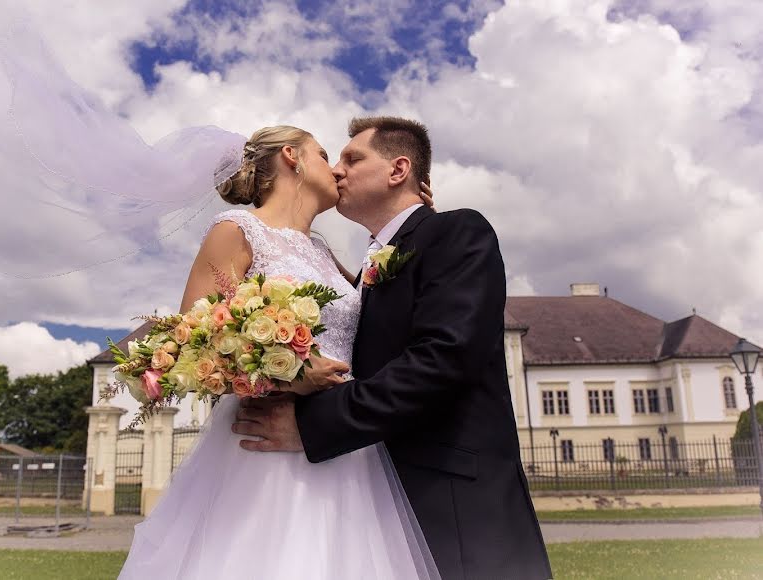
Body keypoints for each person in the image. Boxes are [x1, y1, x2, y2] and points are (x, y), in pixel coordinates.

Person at [232, 117, 553, 579]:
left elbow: (443, 358)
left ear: (398, 169)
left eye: (352, 158)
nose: (337, 170)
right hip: (369, 500)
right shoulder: (359, 269)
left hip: (454, 504)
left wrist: (313, 423)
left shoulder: (456, 232)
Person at [118, 125, 441, 579]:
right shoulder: (237, 230)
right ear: (293, 157)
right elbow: (191, 342)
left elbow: (379, 316)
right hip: (266, 445)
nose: (336, 170)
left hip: (341, 442)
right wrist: (288, 374)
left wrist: (419, 224)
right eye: (327, 154)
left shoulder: (324, 250)